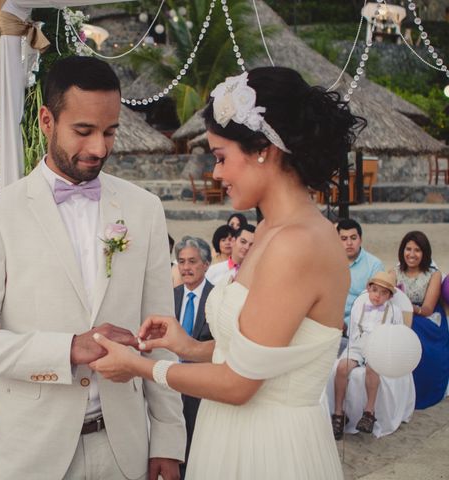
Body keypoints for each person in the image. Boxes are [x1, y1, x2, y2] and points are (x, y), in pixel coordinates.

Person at [89, 67, 365, 479]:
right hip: (237, 431)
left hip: (268, 447)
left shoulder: (297, 243)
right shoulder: (271, 229)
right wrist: (188, 346)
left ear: (262, 150)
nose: (216, 174)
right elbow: (261, 352)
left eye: (220, 157)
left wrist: (140, 367)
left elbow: (239, 384)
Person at [0, 56, 185, 480]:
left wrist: (166, 437)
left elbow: (159, 333)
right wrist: (69, 347)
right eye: (83, 131)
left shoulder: (145, 209)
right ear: (47, 120)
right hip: (32, 454)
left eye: (110, 132)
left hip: (126, 447)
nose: (98, 149)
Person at [331, 272, 404, 439]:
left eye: (383, 293)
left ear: (390, 296)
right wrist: (355, 349)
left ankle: (369, 412)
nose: (377, 296)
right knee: (342, 368)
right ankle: (338, 412)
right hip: (358, 343)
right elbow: (352, 331)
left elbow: (398, 335)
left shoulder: (394, 311)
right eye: (375, 290)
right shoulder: (359, 304)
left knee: (373, 368)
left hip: (379, 347)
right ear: (368, 288)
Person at [390, 231, 449, 409]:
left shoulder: (433, 274)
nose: (412, 254)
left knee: (413, 329)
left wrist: (407, 306)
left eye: (417, 250)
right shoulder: (394, 272)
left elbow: (428, 308)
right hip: (400, 314)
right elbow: (388, 296)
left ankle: (422, 389)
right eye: (408, 249)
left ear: (424, 253)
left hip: (426, 317)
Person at [172, 236, 214, 479]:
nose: (186, 268)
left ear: (206, 264)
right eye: (181, 262)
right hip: (169, 379)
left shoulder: (217, 298)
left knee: (194, 443)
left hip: (200, 384)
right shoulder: (170, 297)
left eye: (192, 261)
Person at [337, 218, 384, 327]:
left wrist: (347, 324)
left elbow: (377, 304)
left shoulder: (374, 265)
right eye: (343, 239)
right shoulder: (330, 262)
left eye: (353, 238)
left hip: (361, 322)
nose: (349, 243)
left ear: (361, 239)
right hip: (331, 320)